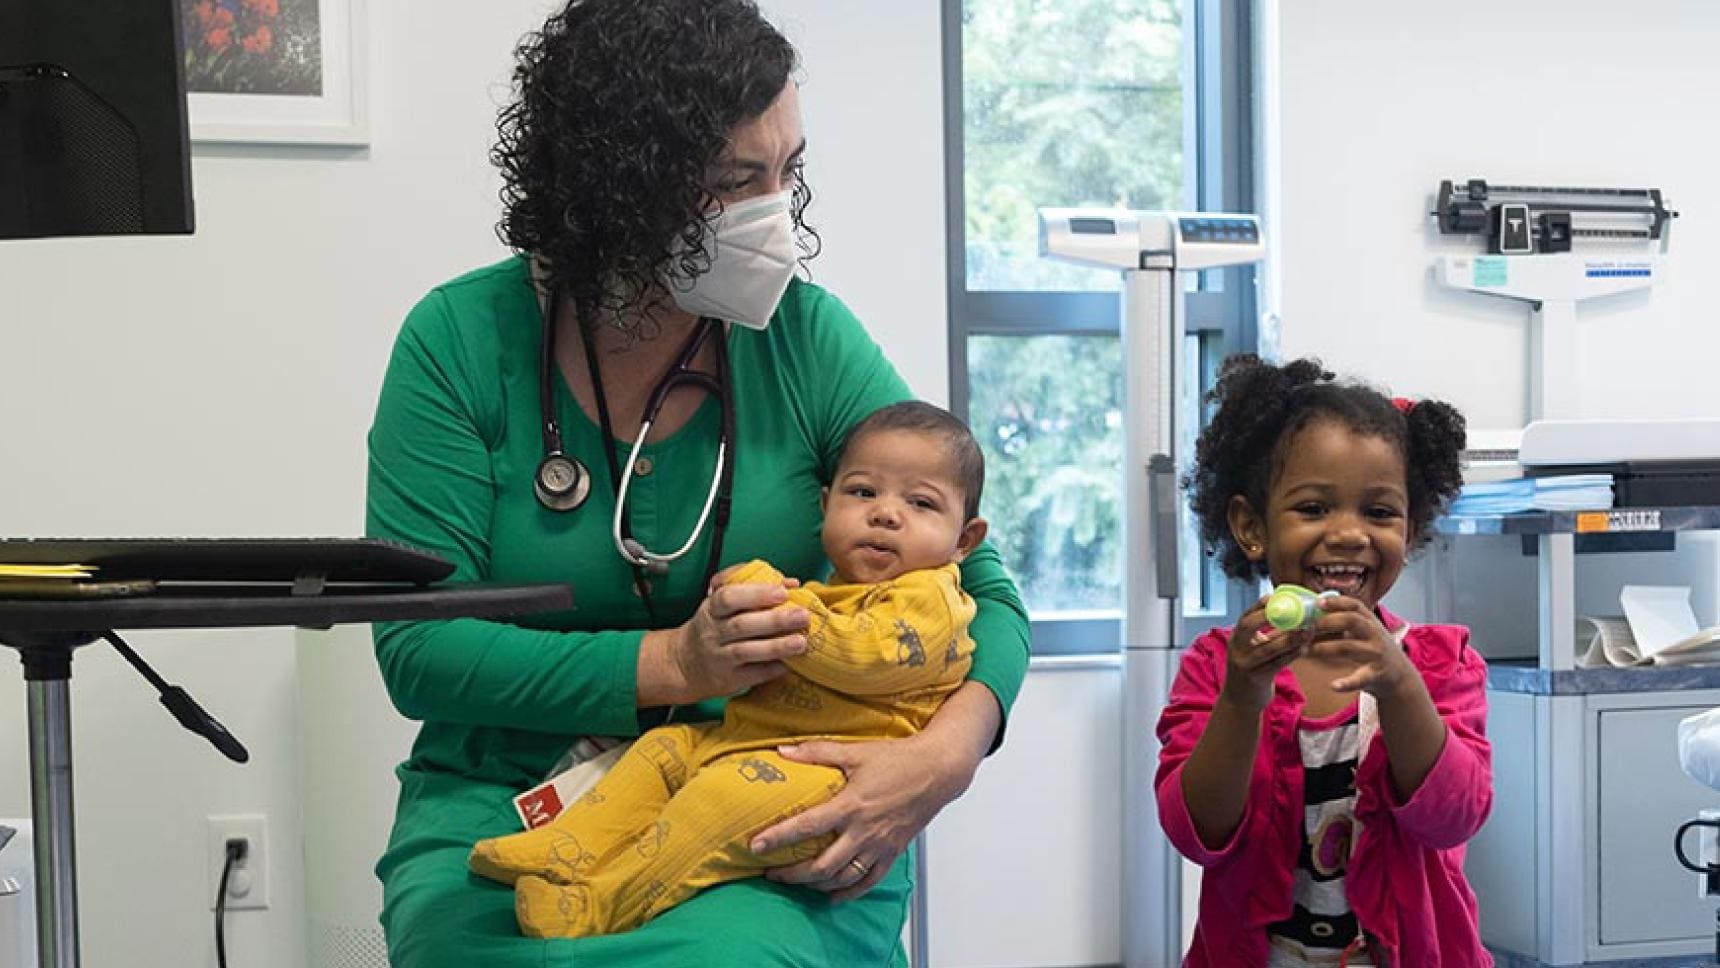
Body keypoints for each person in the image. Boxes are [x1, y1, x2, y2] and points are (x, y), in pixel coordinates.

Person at [363, 2, 1031, 965]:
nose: (776, 211)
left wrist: (944, 755)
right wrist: (673, 667)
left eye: (787, 170)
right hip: (510, 786)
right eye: (733, 181)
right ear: (615, 189)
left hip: (764, 774)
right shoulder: (461, 343)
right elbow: (419, 653)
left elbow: (986, 587)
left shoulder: (803, 338)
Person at [468, 401, 990, 938]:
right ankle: (567, 847)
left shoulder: (931, 600)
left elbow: (858, 655)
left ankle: (598, 905)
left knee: (711, 807)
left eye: (921, 503)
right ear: (825, 504)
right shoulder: (835, 590)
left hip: (835, 781)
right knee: (663, 750)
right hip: (750, 744)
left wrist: (762, 592)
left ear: (964, 540)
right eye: (862, 493)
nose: (885, 513)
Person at [1157, 354, 1492, 967]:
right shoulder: (1216, 665)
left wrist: (1399, 686)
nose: (1348, 534)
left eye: (1380, 512)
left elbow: (1455, 817)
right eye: (1313, 508)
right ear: (1251, 526)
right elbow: (1196, 833)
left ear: (1411, 528)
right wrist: (1240, 698)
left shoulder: (1441, 661)